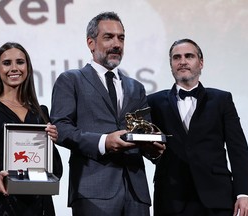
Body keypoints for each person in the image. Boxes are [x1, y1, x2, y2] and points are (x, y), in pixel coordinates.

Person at [50, 11, 165, 216]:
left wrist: (153, 149)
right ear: (91, 43)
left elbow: (143, 132)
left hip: (136, 194)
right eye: (108, 37)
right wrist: (103, 142)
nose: (117, 44)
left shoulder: (136, 87)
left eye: (121, 38)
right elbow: (61, 128)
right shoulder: (70, 80)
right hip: (93, 191)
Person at [147, 38, 248, 216]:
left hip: (217, 198)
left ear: (201, 62)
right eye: (176, 57)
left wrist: (244, 193)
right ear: (171, 65)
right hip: (171, 199)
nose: (182, 61)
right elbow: (148, 147)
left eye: (189, 56)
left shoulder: (222, 100)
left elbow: (238, 149)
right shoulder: (154, 102)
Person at [0, 42, 63, 216]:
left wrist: (52, 141)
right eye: (7, 63)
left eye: (20, 62)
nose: (14, 68)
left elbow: (55, 170)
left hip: (40, 205)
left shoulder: (40, 112)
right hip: (4, 203)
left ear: (28, 68)